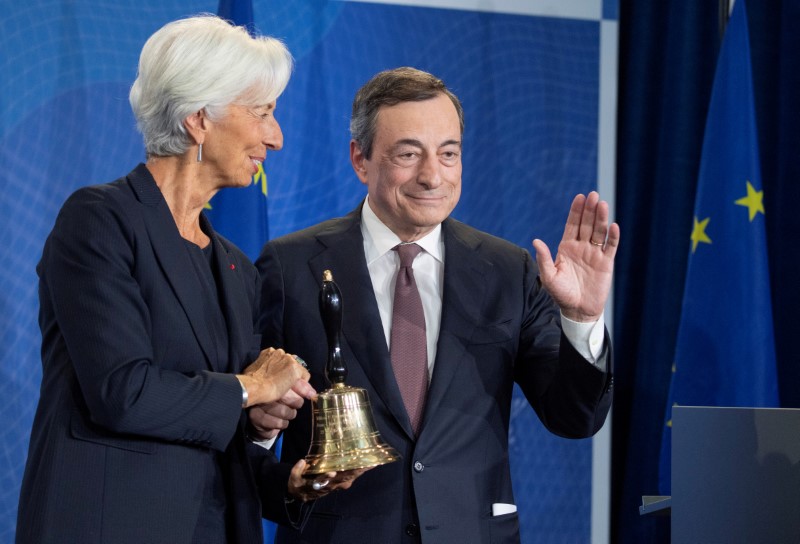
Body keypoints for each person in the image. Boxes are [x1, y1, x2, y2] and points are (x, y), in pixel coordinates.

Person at [252, 67, 618, 543]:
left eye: (449, 154)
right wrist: (269, 444)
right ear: (360, 160)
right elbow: (249, 433)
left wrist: (582, 319)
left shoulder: (508, 270)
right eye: (408, 154)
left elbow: (575, 418)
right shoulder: (290, 264)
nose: (432, 176)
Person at [15, 15, 317, 544]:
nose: (276, 136)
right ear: (200, 119)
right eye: (263, 113)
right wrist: (250, 388)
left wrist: (275, 456)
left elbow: (215, 432)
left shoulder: (236, 268)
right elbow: (122, 391)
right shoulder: (100, 220)